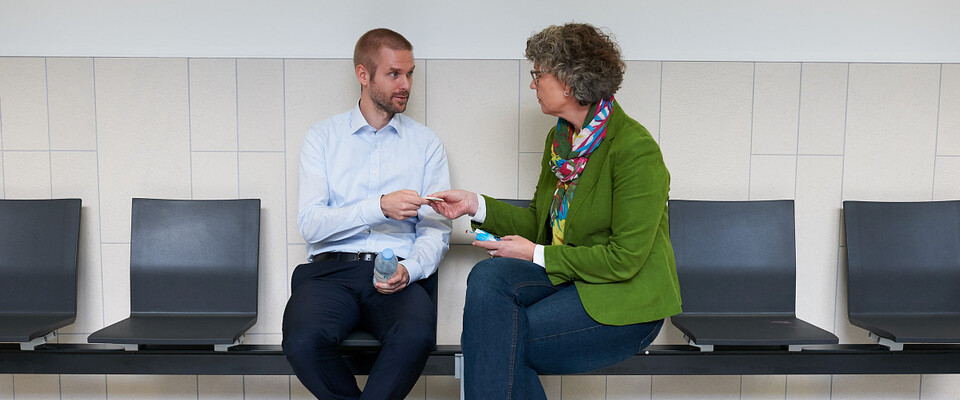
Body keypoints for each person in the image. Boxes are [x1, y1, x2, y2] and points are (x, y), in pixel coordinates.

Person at [429, 23, 682, 399]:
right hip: (571, 280)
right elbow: (539, 222)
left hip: (623, 301)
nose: (532, 84)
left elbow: (623, 260)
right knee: (489, 279)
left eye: (538, 74)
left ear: (568, 80)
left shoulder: (634, 150)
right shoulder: (561, 139)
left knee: (497, 341)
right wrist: (473, 204)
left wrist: (533, 253)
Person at [282, 28, 451, 400]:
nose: (405, 84)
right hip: (330, 273)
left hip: (399, 272)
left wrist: (413, 269)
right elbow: (310, 224)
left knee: (415, 336)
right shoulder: (322, 138)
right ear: (363, 75)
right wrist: (378, 207)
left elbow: (436, 230)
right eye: (394, 74)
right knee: (301, 340)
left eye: (409, 74)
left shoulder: (426, 145)